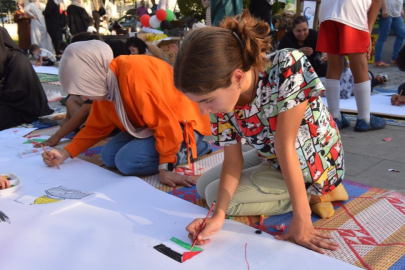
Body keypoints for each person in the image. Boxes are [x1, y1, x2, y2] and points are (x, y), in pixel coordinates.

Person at [174, 11, 347, 253]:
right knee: (204, 186)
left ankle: (318, 194)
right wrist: (218, 216)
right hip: (275, 156)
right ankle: (285, 189)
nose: (203, 111)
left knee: (213, 193)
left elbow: (285, 146)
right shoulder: (222, 92)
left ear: (237, 77)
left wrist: (302, 218)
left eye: (207, 101)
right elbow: (232, 162)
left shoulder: (287, 65)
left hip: (314, 164)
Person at [42, 40, 212, 187]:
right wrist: (64, 153)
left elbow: (165, 123)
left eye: (84, 89)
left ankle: (196, 146)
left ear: (92, 77)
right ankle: (175, 148)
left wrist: (165, 167)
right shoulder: (106, 81)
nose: (84, 97)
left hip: (182, 124)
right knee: (108, 156)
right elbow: (95, 128)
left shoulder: (134, 74)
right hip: (152, 126)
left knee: (127, 162)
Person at [316, 0, 387, 132]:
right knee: (360, 67)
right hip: (351, 10)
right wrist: (368, 31)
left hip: (327, 11)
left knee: (333, 66)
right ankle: (365, 119)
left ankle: (335, 117)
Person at [0, 27, 53, 131]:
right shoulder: (4, 58)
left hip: (24, 106)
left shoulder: (19, 60)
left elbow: (17, 93)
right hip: (8, 101)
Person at [374, 0, 405, 67]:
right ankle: (378, 61)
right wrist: (384, 8)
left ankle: (395, 58)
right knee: (383, 36)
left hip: (397, 14)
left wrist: (401, 9)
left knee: (402, 34)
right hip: (387, 12)